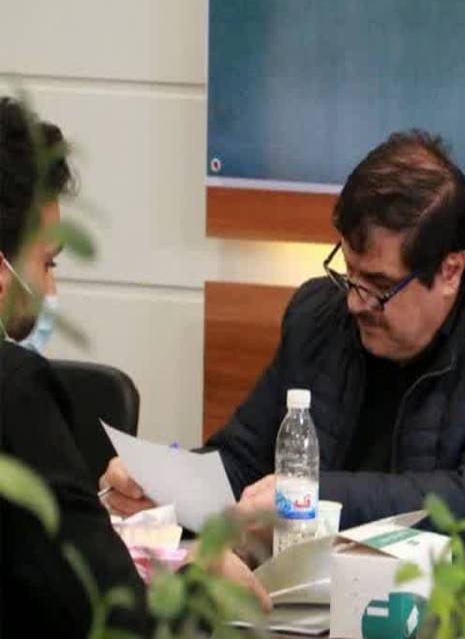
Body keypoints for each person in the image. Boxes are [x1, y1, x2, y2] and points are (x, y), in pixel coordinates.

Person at [103, 131, 465, 555]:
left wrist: (312, 498)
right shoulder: (319, 316)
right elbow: (243, 463)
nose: (355, 302)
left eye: (378, 285)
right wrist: (163, 487)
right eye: (349, 272)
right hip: (302, 602)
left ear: (450, 271)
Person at [0, 97, 268, 636]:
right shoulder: (15, 392)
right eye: (47, 263)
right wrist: (200, 581)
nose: (51, 289)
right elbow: (113, 617)